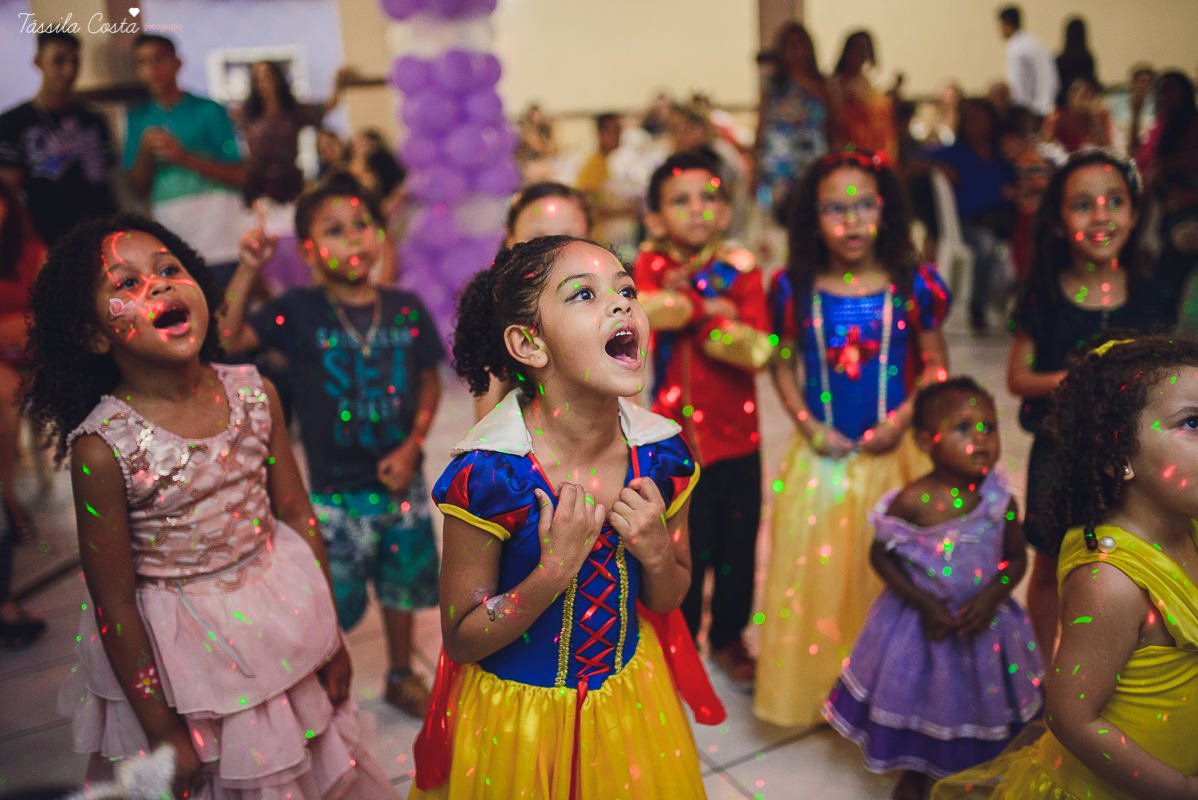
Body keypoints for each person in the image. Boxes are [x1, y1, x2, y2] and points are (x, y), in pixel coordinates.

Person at [23, 213, 398, 800]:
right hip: (186, 658)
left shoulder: (254, 391)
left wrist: (330, 642)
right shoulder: (101, 449)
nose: (159, 286)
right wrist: (162, 727)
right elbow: (113, 598)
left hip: (280, 611)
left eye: (169, 270)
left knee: (310, 758)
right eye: (126, 284)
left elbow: (298, 515)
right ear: (95, 335)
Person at [409, 235, 724, 798]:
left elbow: (670, 597)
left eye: (627, 290)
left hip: (628, 705)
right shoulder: (491, 478)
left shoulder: (663, 456)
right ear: (529, 344)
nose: (623, 302)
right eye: (584, 294)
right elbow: (460, 640)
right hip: (518, 727)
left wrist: (655, 552)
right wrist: (551, 573)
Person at [932, 332, 1198, 800]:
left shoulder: (1189, 527)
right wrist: (1178, 789)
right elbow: (1071, 717)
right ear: (1119, 454)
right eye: (1192, 422)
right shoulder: (1111, 583)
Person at [218, 172, 443, 718]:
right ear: (311, 249)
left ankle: (399, 672)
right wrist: (250, 267)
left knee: (401, 588)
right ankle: (320, 674)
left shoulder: (406, 308)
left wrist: (414, 445)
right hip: (334, 494)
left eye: (363, 225)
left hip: (401, 484)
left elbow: (429, 380)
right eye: (335, 230)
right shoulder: (297, 310)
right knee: (329, 599)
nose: (354, 239)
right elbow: (227, 341)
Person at [753, 149, 951, 729]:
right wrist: (807, 423)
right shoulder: (794, 287)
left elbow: (935, 363)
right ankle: (828, 689)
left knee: (891, 575)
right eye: (835, 209)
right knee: (820, 579)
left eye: (865, 205)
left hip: (899, 456)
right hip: (823, 459)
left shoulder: (913, 283)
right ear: (811, 217)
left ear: (886, 210)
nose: (852, 221)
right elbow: (782, 362)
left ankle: (893, 695)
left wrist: (905, 418)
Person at [824, 378, 1043, 800]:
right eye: (963, 428)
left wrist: (992, 596)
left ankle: (977, 764)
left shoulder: (1001, 500)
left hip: (986, 623)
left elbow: (1017, 558)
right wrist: (923, 603)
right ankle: (916, 770)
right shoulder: (912, 501)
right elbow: (880, 555)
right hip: (921, 628)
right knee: (923, 699)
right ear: (925, 441)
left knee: (979, 695)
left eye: (989, 427)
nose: (980, 438)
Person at [1009, 149, 1176, 660]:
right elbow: (1018, 377)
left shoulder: (1153, 296)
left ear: (1134, 211)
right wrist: (1077, 378)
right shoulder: (1044, 298)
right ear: (1059, 223)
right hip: (1058, 457)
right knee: (1052, 561)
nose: (1101, 216)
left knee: (1128, 557)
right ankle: (1046, 667)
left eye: (1114, 202)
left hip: (1130, 460)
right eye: (1083, 205)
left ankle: (1121, 662)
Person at [633, 152, 774, 687]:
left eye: (708, 196)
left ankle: (730, 636)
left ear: (724, 208)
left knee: (738, 544)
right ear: (655, 218)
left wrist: (708, 328)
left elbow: (760, 349)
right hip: (671, 438)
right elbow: (643, 312)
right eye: (679, 200)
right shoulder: (648, 264)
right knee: (681, 542)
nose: (696, 209)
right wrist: (703, 309)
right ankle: (681, 637)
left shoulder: (741, 267)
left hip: (737, 438)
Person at [125, 34, 246, 286]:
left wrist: (183, 157)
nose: (152, 69)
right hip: (171, 223)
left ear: (177, 63)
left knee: (226, 298)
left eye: (159, 59)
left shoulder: (209, 110)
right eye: (142, 62)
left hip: (218, 224)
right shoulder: (139, 118)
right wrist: (145, 152)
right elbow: (136, 187)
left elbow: (240, 174)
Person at [471, 181, 592, 422]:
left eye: (567, 237)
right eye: (537, 238)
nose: (552, 251)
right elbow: (488, 408)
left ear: (590, 238)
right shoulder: (499, 305)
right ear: (510, 237)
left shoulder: (605, 298)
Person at [0, 31, 118, 247]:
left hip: (103, 231)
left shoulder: (93, 119)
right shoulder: (12, 123)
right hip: (50, 238)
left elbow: (110, 179)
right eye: (59, 60)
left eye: (75, 62)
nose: (69, 70)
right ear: (38, 62)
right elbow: (10, 193)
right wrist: (35, 243)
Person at [0, 179, 47, 647]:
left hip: (34, 359)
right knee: (3, 392)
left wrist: (25, 328)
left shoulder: (33, 251)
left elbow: (58, 313)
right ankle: (8, 499)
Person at [928, 99, 1015, 333]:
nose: (977, 124)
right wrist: (937, 167)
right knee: (987, 245)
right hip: (970, 222)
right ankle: (978, 309)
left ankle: (1020, 306)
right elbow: (917, 156)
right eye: (972, 119)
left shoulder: (1002, 151)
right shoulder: (957, 152)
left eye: (983, 119)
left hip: (1005, 219)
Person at [237, 61, 355, 204]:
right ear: (254, 84)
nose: (266, 81)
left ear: (279, 79)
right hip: (257, 184)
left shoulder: (294, 111)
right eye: (260, 77)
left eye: (269, 75)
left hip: (289, 183)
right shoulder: (248, 114)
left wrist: (338, 83)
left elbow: (326, 107)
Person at [753, 22, 834, 220]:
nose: (794, 50)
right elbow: (761, 126)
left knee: (811, 215)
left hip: (810, 160)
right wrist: (755, 168)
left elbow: (834, 123)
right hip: (777, 163)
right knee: (774, 219)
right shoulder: (772, 85)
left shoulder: (823, 84)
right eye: (789, 45)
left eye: (799, 44)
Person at [1145, 72, 1198, 322]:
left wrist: (1184, 197)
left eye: (1171, 91)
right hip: (1171, 207)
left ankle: (1161, 325)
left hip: (1187, 207)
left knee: (1176, 251)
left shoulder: (1192, 124)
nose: (1165, 97)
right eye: (1162, 91)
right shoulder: (1166, 124)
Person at [997, 108, 1054, 279]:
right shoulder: (1026, 160)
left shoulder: (1029, 161)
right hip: (1027, 214)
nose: (1004, 150)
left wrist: (1015, 192)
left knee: (1026, 254)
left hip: (1031, 214)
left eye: (1008, 144)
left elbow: (1045, 184)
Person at [830, 31, 897, 162]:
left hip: (869, 153)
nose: (859, 53)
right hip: (845, 151)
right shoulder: (834, 84)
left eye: (864, 49)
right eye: (855, 48)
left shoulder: (868, 86)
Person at [997, 6, 1059, 118]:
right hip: (1043, 107)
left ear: (1006, 23)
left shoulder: (1017, 49)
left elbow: (1017, 85)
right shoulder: (1036, 45)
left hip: (1028, 111)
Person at [1042, 76, 1112, 152]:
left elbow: (1106, 147)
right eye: (1072, 92)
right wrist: (1052, 122)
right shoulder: (1059, 114)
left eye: (1086, 95)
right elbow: (1044, 144)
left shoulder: (1100, 115)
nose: (1072, 96)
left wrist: (1095, 119)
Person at [1055, 17, 1098, 109]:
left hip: (1063, 106)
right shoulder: (1087, 59)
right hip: (1084, 109)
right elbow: (1092, 82)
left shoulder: (1060, 60)